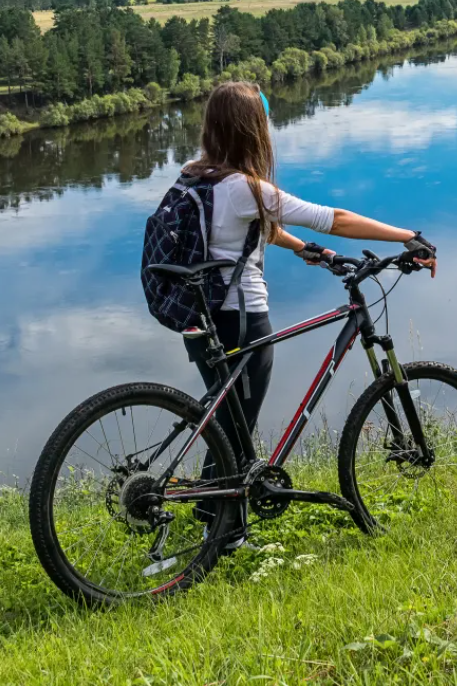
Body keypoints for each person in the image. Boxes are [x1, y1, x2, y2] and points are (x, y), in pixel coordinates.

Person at [180, 81, 436, 508]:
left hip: (196, 315)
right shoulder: (244, 187)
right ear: (251, 130)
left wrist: (306, 251)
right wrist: (409, 236)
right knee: (238, 421)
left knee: (229, 422)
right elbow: (332, 219)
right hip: (238, 316)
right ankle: (223, 527)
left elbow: (246, 226)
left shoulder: (195, 174)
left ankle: (215, 511)